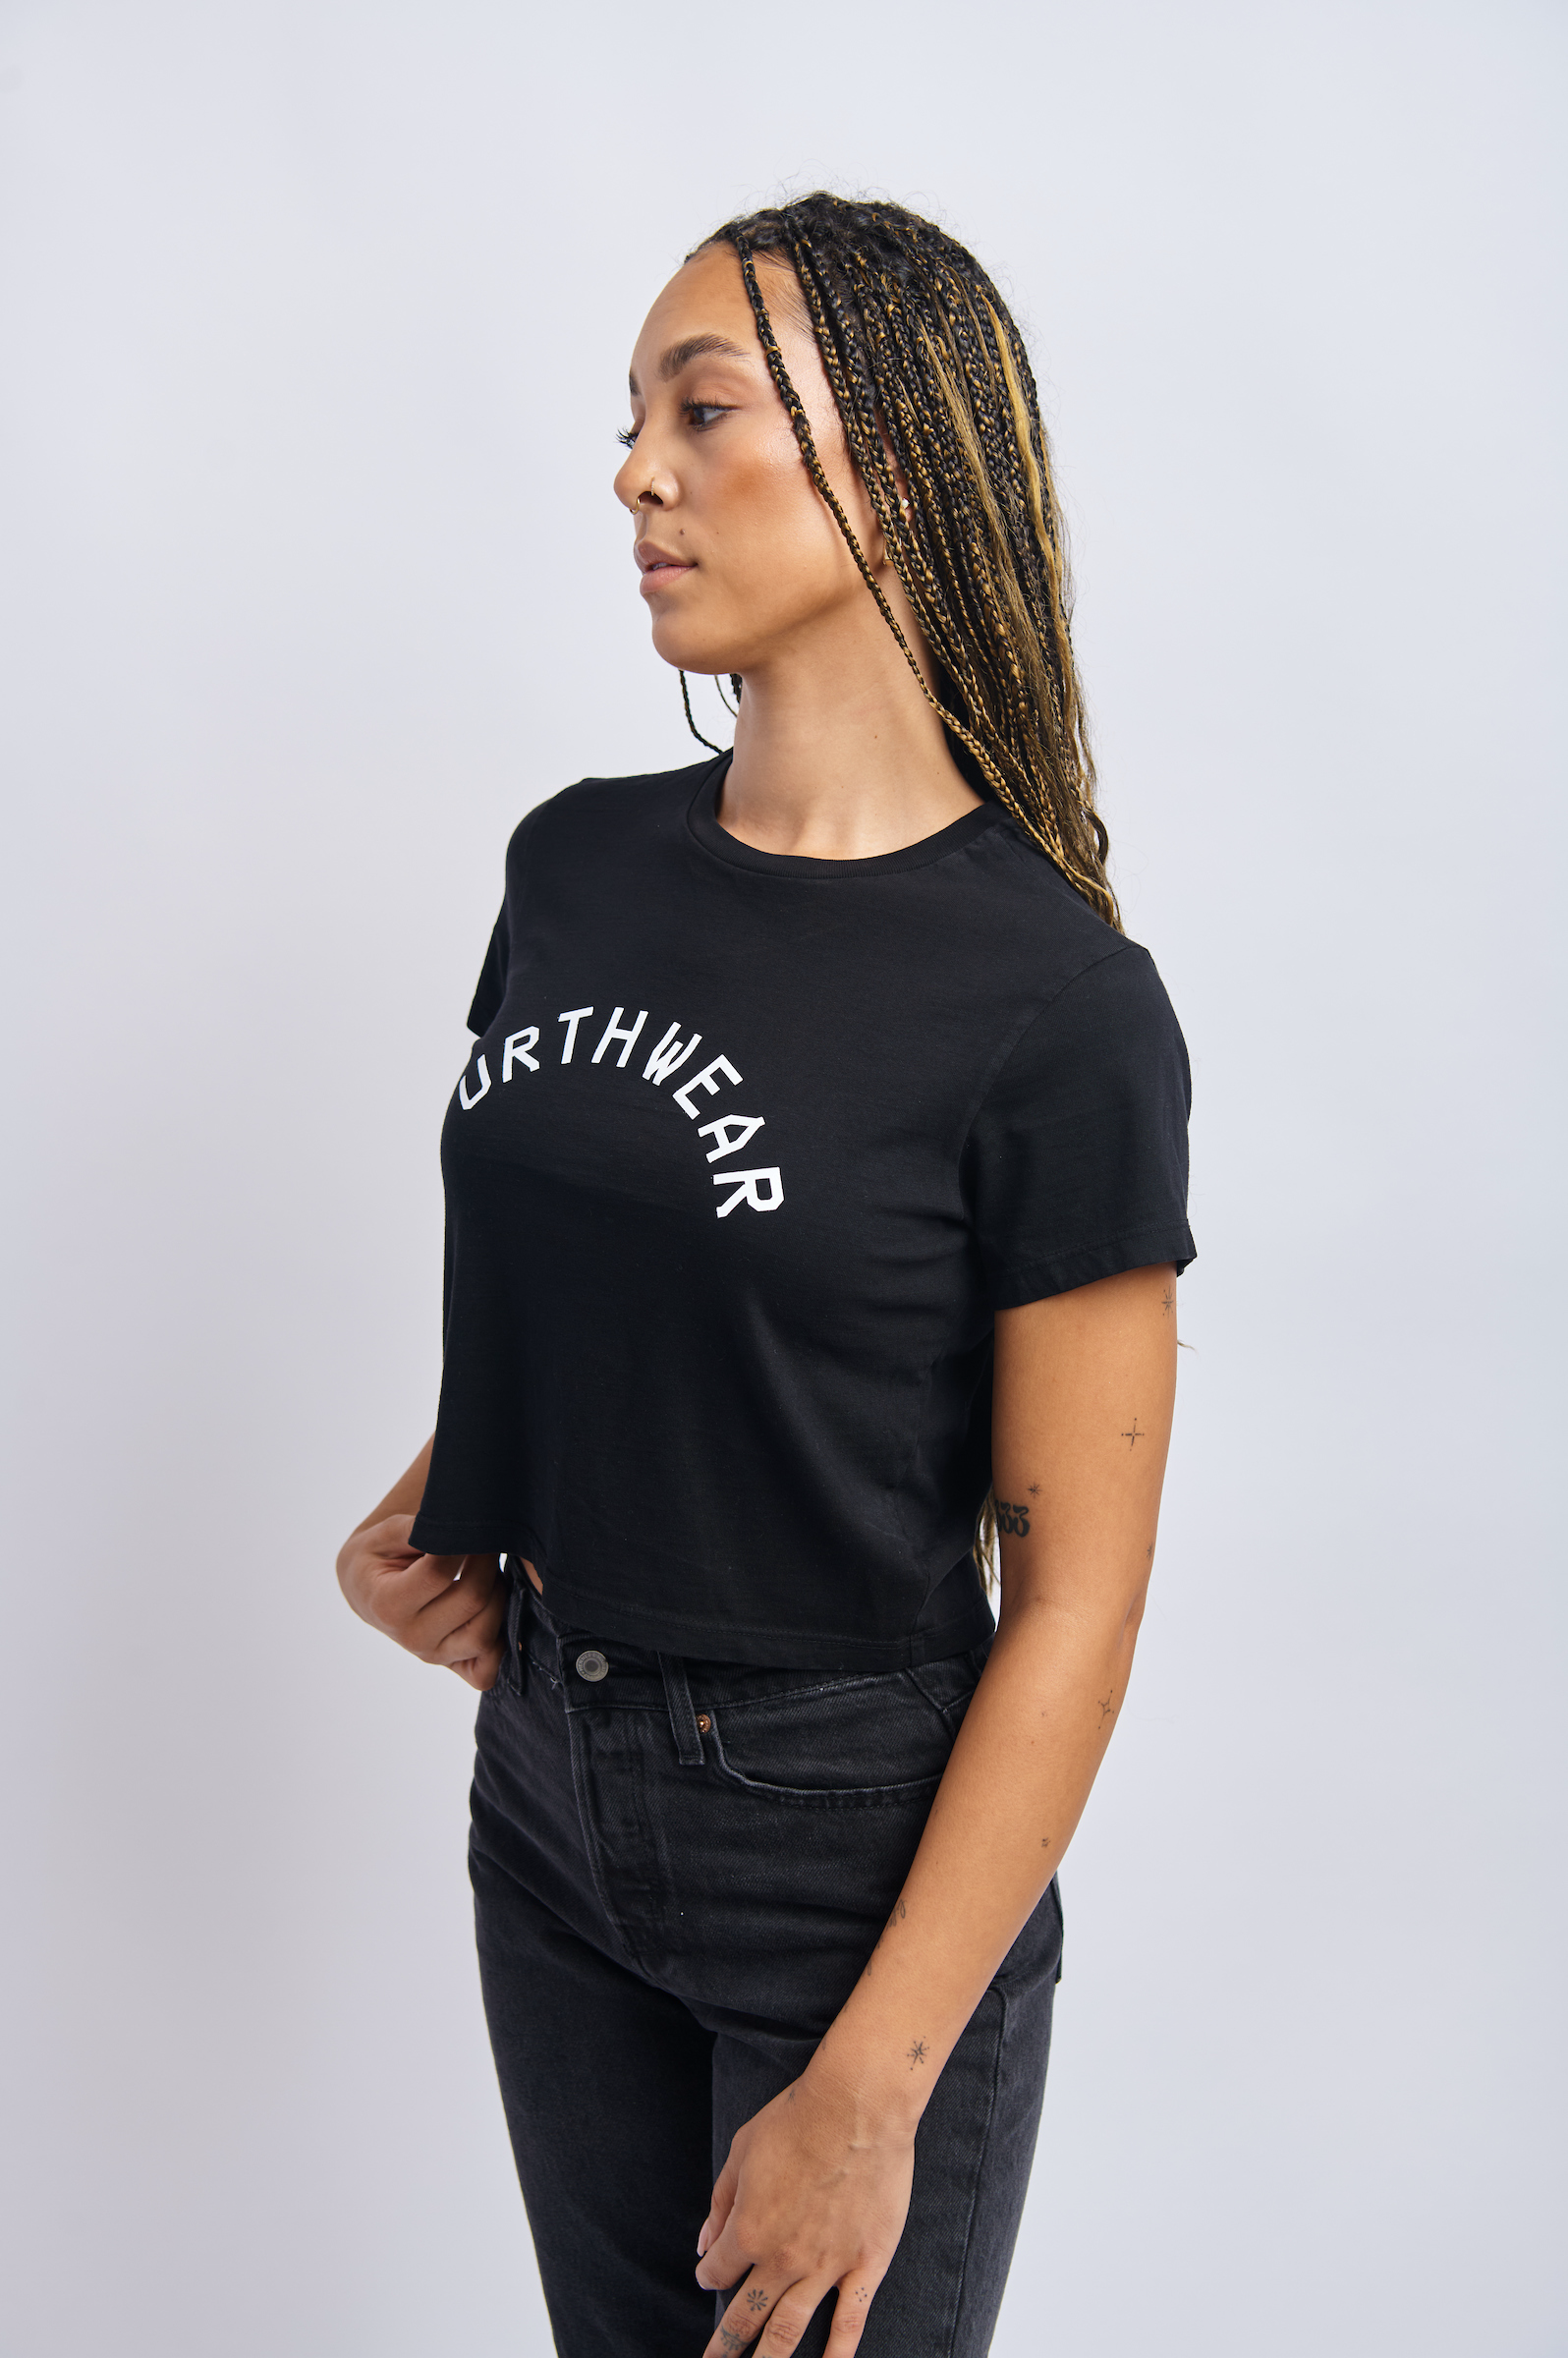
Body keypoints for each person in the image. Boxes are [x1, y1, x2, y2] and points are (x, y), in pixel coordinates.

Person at [336, 191, 1194, 2358]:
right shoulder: (576, 862)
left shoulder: (1054, 1003)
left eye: (701, 410)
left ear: (892, 464)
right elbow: (627, 1259)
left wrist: (877, 2089)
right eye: (632, 417)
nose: (636, 471)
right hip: (548, 1788)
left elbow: (1076, 1601)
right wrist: (441, 1506)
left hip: (852, 1853)